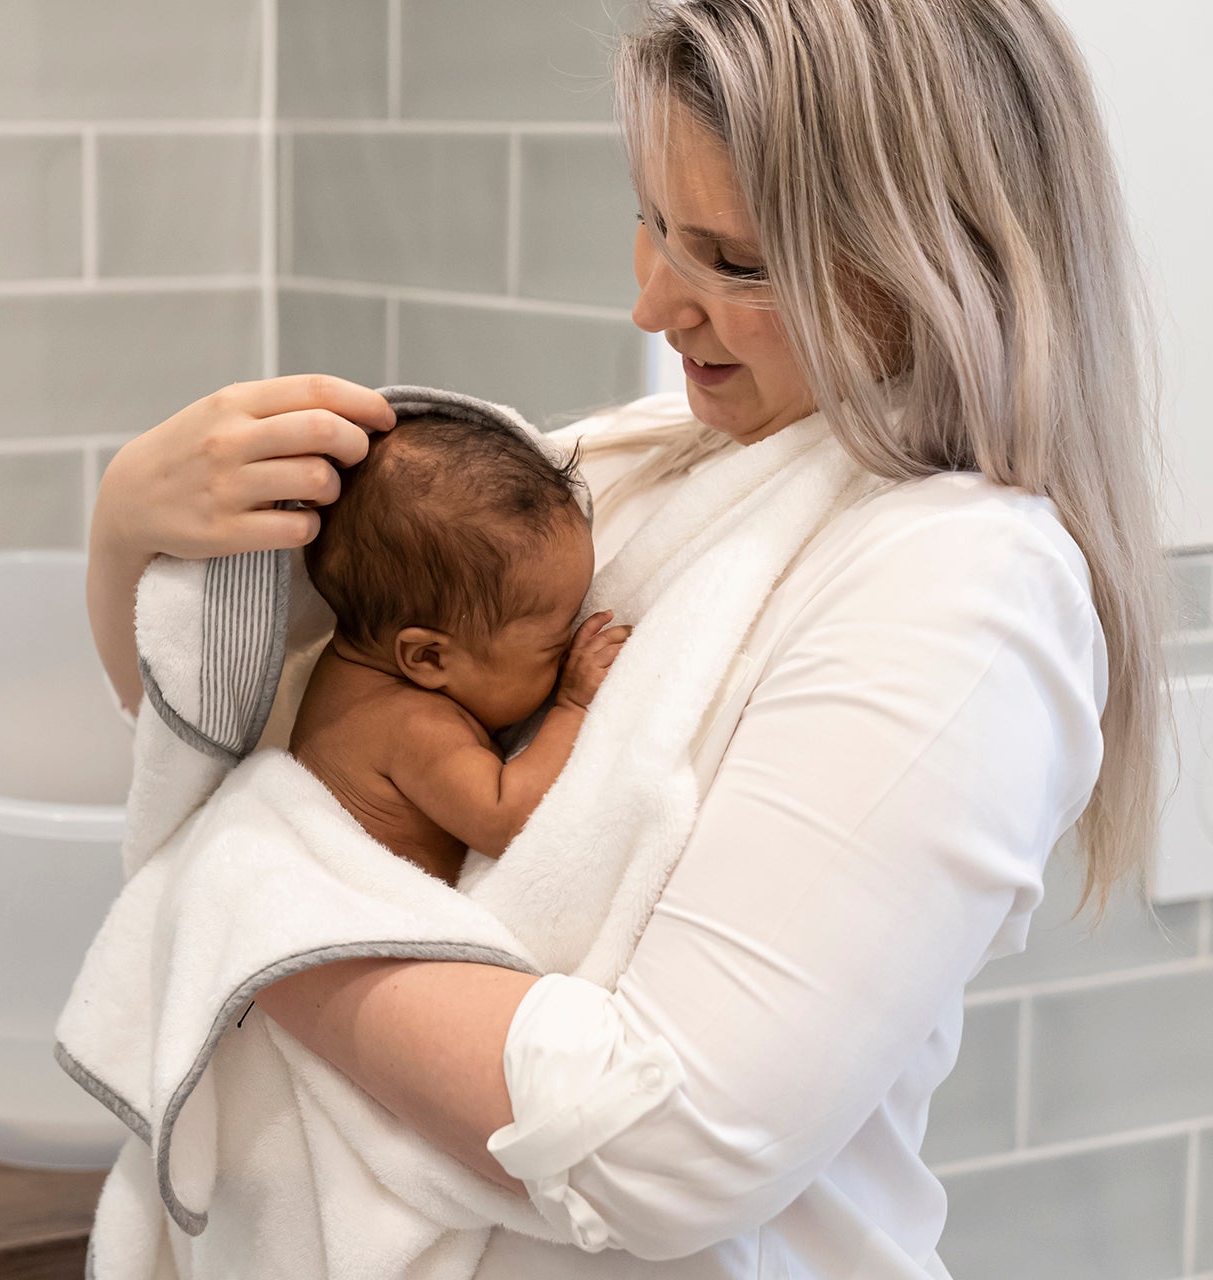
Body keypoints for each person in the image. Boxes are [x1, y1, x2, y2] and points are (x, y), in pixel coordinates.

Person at [85, 0, 1163, 1270]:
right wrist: (125, 540)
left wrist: (247, 907)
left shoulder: (967, 591)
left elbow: (660, 1148)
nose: (653, 303)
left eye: (735, 260)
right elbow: (260, 742)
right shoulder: (650, 470)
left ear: (936, 256)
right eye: (653, 219)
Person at [290, 413, 629, 886]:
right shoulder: (411, 725)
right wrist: (573, 705)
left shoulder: (361, 668)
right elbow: (508, 821)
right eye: (554, 647)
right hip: (367, 915)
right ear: (428, 658)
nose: (571, 649)